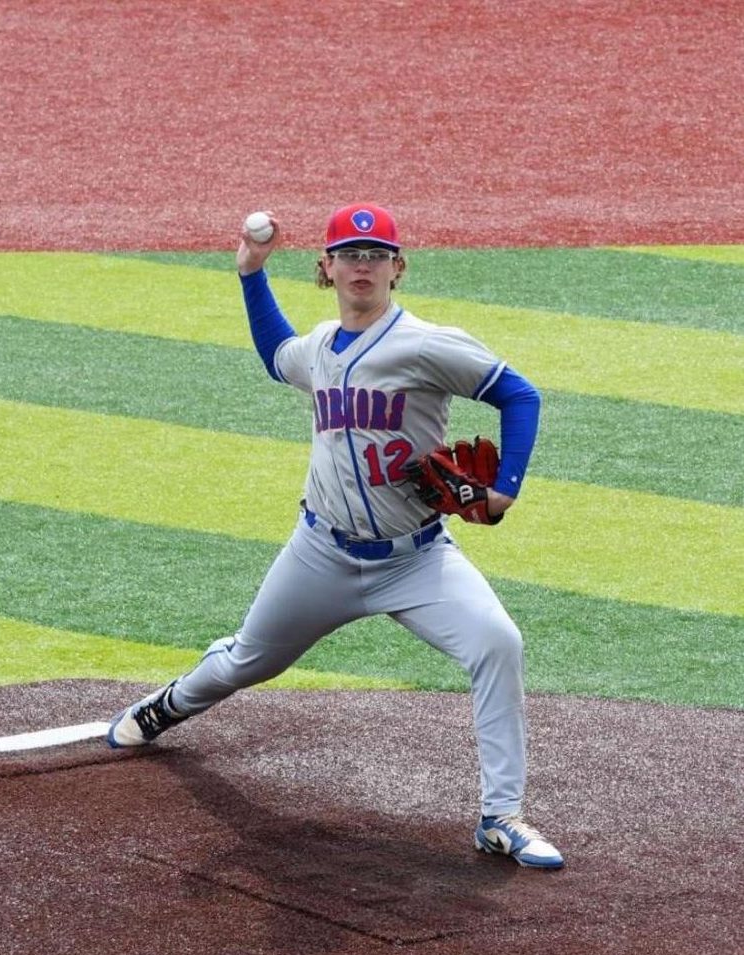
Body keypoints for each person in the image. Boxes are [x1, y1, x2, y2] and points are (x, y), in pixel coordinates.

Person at [107, 203, 564, 870]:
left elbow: (518, 395)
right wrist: (250, 275)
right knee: (247, 662)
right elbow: (276, 355)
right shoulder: (320, 346)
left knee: (497, 643)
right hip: (320, 553)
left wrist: (505, 488)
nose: (362, 264)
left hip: (417, 559)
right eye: (349, 254)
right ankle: (167, 706)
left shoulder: (430, 344)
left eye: (376, 254)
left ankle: (501, 817)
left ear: (397, 268)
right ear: (326, 268)